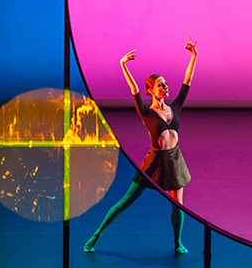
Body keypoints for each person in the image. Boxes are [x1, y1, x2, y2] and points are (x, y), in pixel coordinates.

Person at [84, 36, 198, 254]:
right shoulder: (146, 112)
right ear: (151, 91)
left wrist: (194, 56)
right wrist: (122, 65)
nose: (165, 86)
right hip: (155, 161)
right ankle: (96, 235)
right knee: (126, 200)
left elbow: (187, 80)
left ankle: (177, 242)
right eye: (160, 85)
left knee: (178, 206)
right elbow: (134, 88)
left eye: (165, 83)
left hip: (174, 160)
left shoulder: (175, 106)